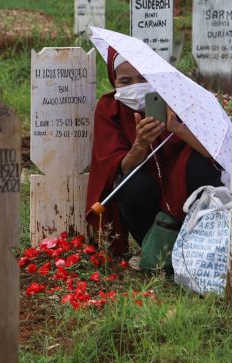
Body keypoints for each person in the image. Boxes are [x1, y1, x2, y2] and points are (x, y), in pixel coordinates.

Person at [86, 47, 222, 257]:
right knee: (131, 183)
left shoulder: (177, 96)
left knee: (200, 165)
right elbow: (114, 166)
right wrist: (140, 145)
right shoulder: (109, 107)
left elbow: (213, 152)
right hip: (147, 192)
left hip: (182, 183)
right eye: (125, 81)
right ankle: (156, 251)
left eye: (143, 77)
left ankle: (200, 244)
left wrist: (178, 129)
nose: (136, 86)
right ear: (114, 81)